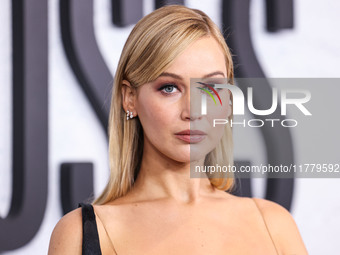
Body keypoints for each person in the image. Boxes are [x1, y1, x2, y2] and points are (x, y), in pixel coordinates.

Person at [48, 5, 308, 255]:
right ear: (129, 98)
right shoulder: (80, 234)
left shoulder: (273, 225)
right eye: (169, 88)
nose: (192, 112)